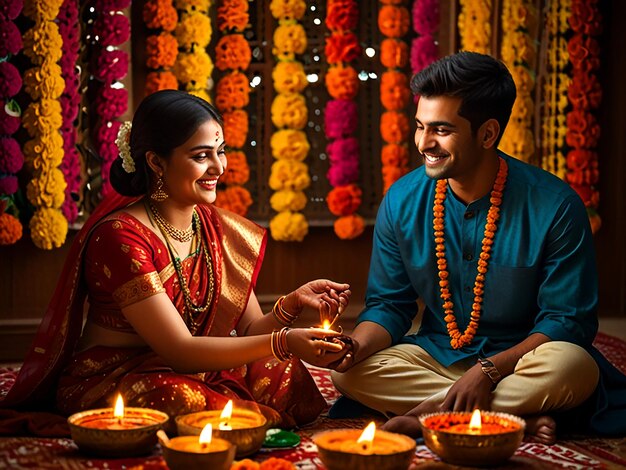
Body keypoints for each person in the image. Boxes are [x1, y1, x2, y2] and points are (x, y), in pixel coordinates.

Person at [0, 89, 352, 431]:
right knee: (182, 398)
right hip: (119, 373)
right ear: (156, 161)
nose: (218, 167)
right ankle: (237, 418)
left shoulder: (215, 227)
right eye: (201, 156)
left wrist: (291, 304)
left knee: (282, 371)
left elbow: (248, 332)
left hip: (192, 367)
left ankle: (238, 418)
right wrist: (285, 340)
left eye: (221, 151)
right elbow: (180, 351)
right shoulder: (121, 236)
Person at [329, 51, 626, 444]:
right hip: (437, 357)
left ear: (487, 134)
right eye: (420, 127)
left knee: (574, 365)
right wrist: (355, 345)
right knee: (346, 372)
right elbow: (389, 305)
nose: (423, 143)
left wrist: (489, 372)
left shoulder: (555, 206)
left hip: (524, 362)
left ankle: (430, 415)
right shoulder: (402, 200)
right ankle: (508, 415)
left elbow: (567, 322)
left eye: (441, 130)